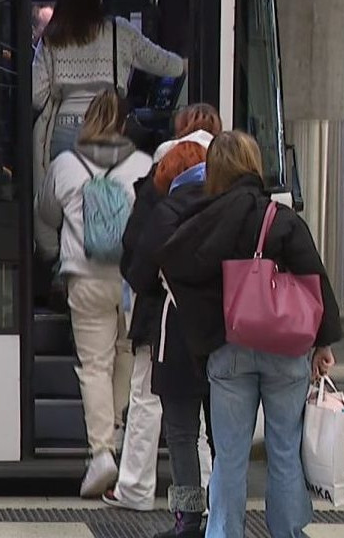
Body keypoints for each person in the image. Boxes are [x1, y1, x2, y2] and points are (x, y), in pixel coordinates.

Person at [158, 131, 341, 538]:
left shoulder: (205, 219)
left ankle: (223, 532)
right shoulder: (282, 218)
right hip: (286, 348)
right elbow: (315, 279)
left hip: (231, 348)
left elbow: (172, 262)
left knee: (230, 457)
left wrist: (208, 332)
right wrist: (322, 342)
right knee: (283, 453)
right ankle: (287, 532)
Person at [103, 103, 220, 513]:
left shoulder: (161, 194)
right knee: (211, 423)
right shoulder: (228, 191)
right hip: (217, 324)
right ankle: (210, 500)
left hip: (163, 321)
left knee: (154, 405)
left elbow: (136, 260)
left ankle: (140, 490)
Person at [35, 88, 152, 498]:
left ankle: (100, 452)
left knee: (94, 365)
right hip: (129, 279)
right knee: (124, 354)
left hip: (83, 276)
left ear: (87, 122)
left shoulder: (65, 165)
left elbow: (46, 215)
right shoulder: (143, 164)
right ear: (124, 124)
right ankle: (117, 435)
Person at [32, 0, 184, 191]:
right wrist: (185, 64)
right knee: (106, 200)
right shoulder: (119, 31)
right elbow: (165, 64)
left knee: (65, 199)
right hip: (108, 125)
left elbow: (36, 95)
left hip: (63, 130)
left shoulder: (52, 38)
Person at [126, 142, 212, 537]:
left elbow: (140, 275)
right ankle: (222, 516)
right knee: (223, 435)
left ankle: (188, 520)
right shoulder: (223, 207)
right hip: (223, 337)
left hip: (175, 335)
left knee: (181, 434)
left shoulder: (166, 212)